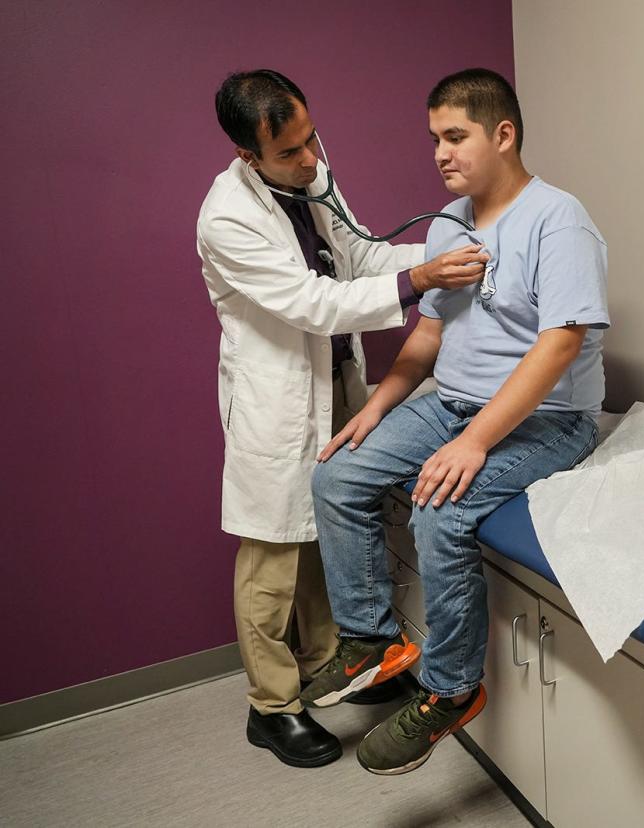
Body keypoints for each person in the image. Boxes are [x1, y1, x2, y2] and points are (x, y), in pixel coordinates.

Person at [303, 67, 608, 775]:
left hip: (549, 422)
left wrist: (474, 442)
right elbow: (428, 335)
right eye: (434, 139)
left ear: (503, 135)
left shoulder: (559, 219)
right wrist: (375, 409)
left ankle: (451, 688)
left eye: (455, 136)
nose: (439, 152)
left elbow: (560, 341)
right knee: (338, 474)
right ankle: (372, 639)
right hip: (450, 404)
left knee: (439, 508)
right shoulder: (449, 222)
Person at [197, 69, 489, 768]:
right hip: (278, 401)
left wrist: (448, 257)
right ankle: (270, 708)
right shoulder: (226, 217)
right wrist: (423, 281)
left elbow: (358, 255)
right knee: (273, 560)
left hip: (338, 383)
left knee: (334, 528)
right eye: (290, 153)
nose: (310, 160)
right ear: (249, 156)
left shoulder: (311, 177)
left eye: (310, 138)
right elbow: (312, 303)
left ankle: (342, 662)